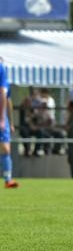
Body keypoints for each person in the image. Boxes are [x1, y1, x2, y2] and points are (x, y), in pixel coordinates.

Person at [0, 57, 19, 188]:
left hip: (2, 118)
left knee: (6, 148)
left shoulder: (4, 80)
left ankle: (8, 179)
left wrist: (9, 121)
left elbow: (8, 101)